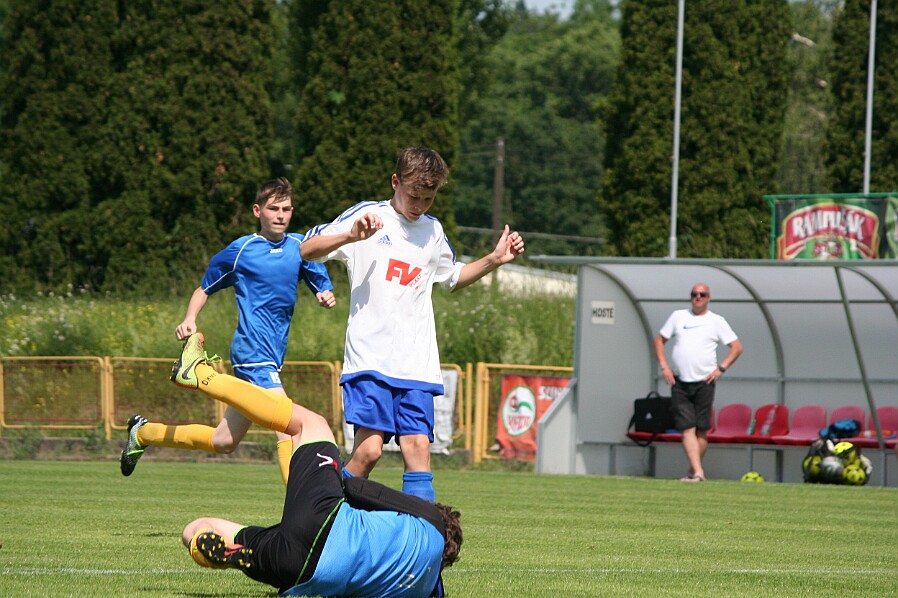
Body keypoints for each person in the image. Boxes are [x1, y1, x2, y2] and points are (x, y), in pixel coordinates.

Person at [300, 146, 525, 502]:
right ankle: (323, 513)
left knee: (418, 448)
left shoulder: (433, 232)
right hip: (370, 359)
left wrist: (495, 259)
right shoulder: (367, 216)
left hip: (417, 363)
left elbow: (452, 276)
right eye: (413, 195)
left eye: (428, 198)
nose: (419, 205)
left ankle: (425, 543)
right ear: (395, 182)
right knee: (369, 452)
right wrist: (349, 236)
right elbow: (306, 249)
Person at [170, 332, 462, 598]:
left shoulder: (430, 521)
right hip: (302, 575)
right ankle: (223, 551)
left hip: (325, 525)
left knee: (311, 424)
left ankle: (199, 374)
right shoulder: (422, 590)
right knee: (196, 527)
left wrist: (320, 483)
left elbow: (357, 487)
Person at [120, 177, 336, 484]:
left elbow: (317, 274)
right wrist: (190, 318)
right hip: (252, 351)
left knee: (224, 441)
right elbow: (204, 287)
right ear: (257, 211)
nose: (280, 215)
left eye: (286, 209)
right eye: (273, 208)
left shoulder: (299, 247)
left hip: (273, 355)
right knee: (287, 424)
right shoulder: (242, 250)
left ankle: (143, 433)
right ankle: (298, 509)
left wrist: (324, 293)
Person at [654, 282, 743, 482]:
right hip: (680, 381)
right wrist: (664, 366)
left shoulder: (716, 321)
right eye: (695, 294)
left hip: (705, 381)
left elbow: (736, 347)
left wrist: (721, 368)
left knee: (701, 429)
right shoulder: (678, 317)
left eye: (702, 294)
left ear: (709, 298)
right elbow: (659, 340)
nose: (698, 297)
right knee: (686, 427)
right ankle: (699, 472)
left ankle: (693, 470)